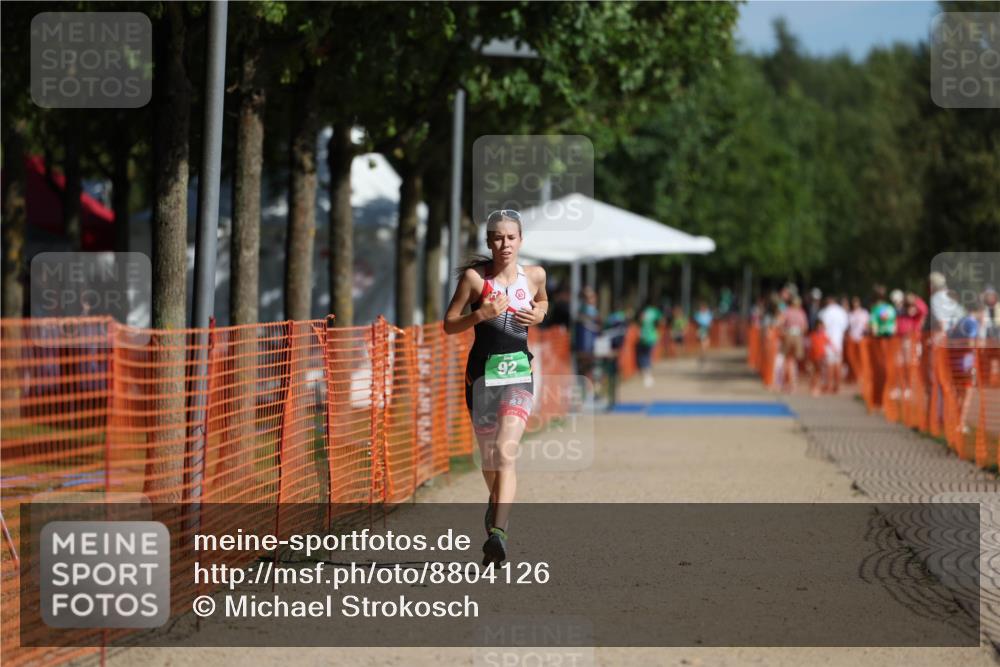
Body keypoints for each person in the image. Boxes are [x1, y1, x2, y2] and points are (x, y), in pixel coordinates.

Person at [443, 209, 547, 565]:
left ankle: (498, 535)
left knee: (505, 451)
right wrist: (480, 315)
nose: (505, 244)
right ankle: (496, 505)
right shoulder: (475, 280)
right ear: (489, 241)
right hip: (481, 379)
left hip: (519, 376)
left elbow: (543, 299)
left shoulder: (534, 276)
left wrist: (541, 313)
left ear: (521, 241)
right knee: (489, 458)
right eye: (498, 238)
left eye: (511, 237)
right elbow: (449, 324)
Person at [818, 295, 849, 393]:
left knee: (829, 364)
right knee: (838, 363)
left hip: (828, 341)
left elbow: (821, 327)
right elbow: (845, 326)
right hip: (838, 341)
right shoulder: (842, 312)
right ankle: (837, 386)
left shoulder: (825, 312)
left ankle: (829, 385)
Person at [777, 295, 808, 392]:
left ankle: (786, 383)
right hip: (797, 336)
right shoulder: (801, 312)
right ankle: (791, 383)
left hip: (789, 335)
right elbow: (805, 327)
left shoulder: (787, 311)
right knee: (793, 361)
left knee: (787, 360)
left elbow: (780, 323)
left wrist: (784, 332)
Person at [636, 300, 664, 387]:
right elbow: (661, 321)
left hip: (644, 337)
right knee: (647, 355)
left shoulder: (643, 312)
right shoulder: (655, 312)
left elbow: (639, 323)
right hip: (652, 337)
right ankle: (648, 374)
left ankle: (646, 374)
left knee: (644, 355)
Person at [807, 320, 830, 396]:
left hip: (821, 356)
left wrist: (835, 351)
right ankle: (814, 386)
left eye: (822, 327)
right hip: (814, 356)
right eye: (819, 326)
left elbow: (829, 343)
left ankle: (816, 387)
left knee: (819, 372)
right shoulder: (813, 335)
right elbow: (810, 346)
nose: (821, 328)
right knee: (815, 372)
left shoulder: (823, 335)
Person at [693, 301, 713, 366]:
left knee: (706, 343)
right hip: (701, 329)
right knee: (703, 343)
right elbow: (697, 322)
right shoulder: (698, 314)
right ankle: (702, 355)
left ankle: (703, 355)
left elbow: (710, 322)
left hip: (706, 330)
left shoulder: (708, 314)